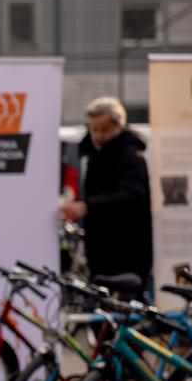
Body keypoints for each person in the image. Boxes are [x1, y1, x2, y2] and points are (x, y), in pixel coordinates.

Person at [60, 97, 152, 292]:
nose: (99, 135)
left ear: (119, 126)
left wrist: (88, 206)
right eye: (94, 130)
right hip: (100, 251)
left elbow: (131, 195)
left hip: (126, 251)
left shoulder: (130, 156)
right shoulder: (92, 154)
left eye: (105, 129)